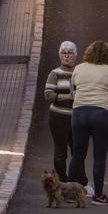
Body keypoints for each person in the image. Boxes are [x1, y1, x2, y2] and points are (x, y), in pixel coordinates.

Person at [68, 40, 108, 205]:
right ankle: (98, 195)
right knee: (99, 157)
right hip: (101, 114)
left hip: (79, 113)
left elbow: (72, 91)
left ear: (88, 53)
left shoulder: (79, 68)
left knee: (78, 154)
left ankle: (69, 193)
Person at [44, 41, 78, 183]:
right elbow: (48, 95)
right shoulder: (55, 74)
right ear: (59, 55)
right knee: (60, 152)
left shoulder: (79, 73)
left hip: (77, 118)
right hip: (58, 117)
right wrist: (68, 96)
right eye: (63, 53)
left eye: (70, 53)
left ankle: (76, 181)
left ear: (75, 56)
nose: (66, 56)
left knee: (77, 152)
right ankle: (62, 183)